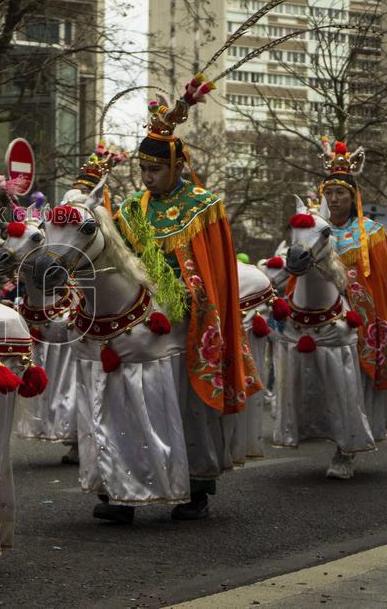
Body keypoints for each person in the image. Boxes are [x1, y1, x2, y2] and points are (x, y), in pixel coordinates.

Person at [116, 93, 261, 520]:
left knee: (187, 407)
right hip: (140, 316)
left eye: (155, 170)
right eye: (142, 169)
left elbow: (212, 271)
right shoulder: (130, 210)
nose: (146, 178)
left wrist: (181, 292)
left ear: (177, 167)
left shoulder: (204, 206)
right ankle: (123, 486)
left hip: (188, 319)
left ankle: (196, 485)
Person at [318, 138, 387, 449]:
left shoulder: (372, 233)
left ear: (353, 195)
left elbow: (383, 282)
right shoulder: (315, 230)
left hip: (360, 321)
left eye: (340, 192)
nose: (333, 198)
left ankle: (350, 445)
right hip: (321, 318)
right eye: (328, 193)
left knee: (354, 386)